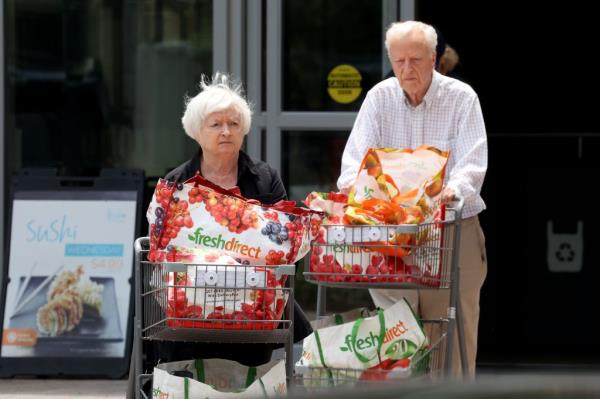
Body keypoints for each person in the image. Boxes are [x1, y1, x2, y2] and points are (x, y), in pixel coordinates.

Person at [127, 73, 313, 398]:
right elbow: (161, 250)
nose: (226, 131)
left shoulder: (265, 178)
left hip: (252, 306)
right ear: (197, 131)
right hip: (190, 307)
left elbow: (285, 241)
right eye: (216, 124)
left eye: (233, 123)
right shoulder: (176, 184)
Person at [337, 21, 487, 376]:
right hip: (390, 235)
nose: (407, 69)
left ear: (434, 58)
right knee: (397, 335)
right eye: (399, 60)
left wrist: (452, 191)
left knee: (452, 333)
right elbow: (353, 166)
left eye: (416, 59)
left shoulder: (462, 98)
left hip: (449, 229)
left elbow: (473, 164)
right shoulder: (379, 98)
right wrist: (364, 196)